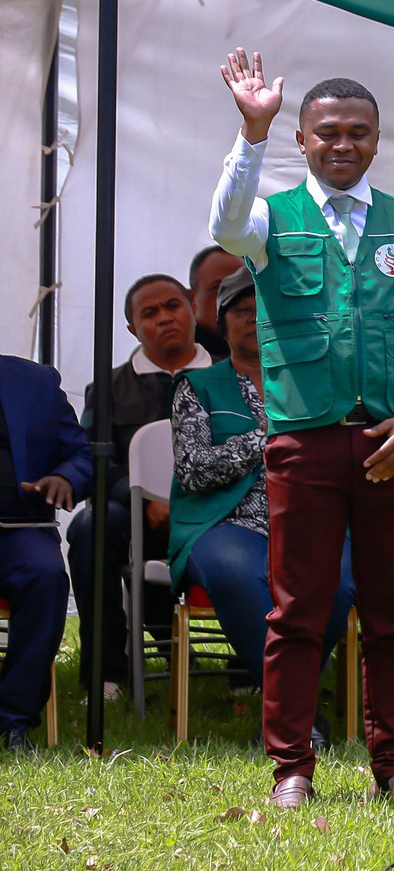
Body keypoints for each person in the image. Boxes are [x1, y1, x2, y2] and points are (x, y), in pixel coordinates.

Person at [211, 50, 394, 808]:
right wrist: (251, 133)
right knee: (296, 611)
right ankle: (292, 767)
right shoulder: (269, 217)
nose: (342, 144)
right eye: (327, 132)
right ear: (302, 139)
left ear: (377, 140)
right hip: (306, 441)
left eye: (358, 132)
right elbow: (223, 224)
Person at [166, 267, 355, 729]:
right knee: (236, 573)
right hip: (225, 522)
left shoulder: (316, 384)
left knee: (339, 579)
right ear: (222, 324)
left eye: (264, 309)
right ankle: (299, 719)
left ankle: (290, 712)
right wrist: (265, 437)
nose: (254, 319)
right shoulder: (198, 386)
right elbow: (193, 470)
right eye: (242, 311)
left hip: (311, 518)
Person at [66, 272, 201, 701]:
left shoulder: (229, 375)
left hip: (217, 512)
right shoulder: (107, 388)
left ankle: (247, 672)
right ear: (132, 328)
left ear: (193, 305)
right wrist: (143, 499)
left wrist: (184, 503)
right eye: (150, 313)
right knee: (90, 528)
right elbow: (92, 461)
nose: (164, 318)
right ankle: (106, 675)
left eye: (173, 306)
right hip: (136, 516)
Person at [0, 354, 89, 749]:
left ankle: (14, 720)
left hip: (18, 527)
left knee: (46, 576)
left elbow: (81, 455)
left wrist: (64, 477)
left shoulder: (35, 381)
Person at [190, 244, 242, 361]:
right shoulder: (175, 360)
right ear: (192, 299)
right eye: (219, 289)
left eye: (243, 290)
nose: (233, 298)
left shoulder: (273, 354)